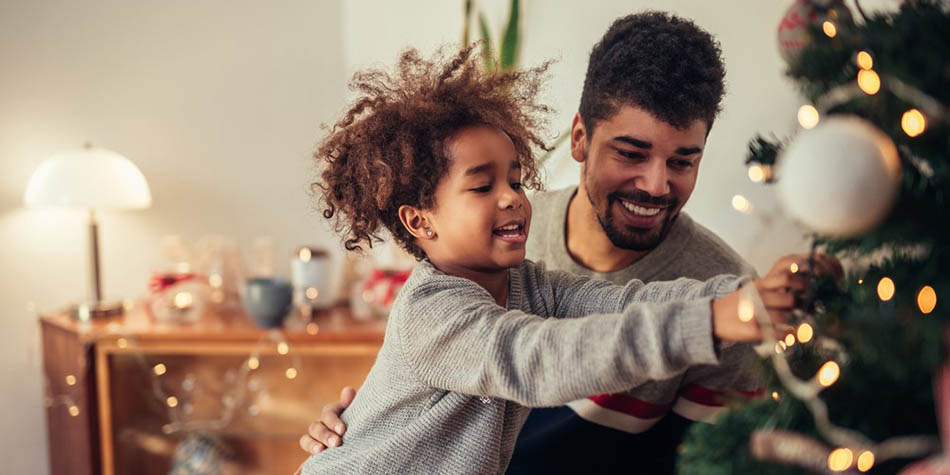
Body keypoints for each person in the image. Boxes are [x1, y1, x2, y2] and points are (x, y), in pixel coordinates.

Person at [299, 11, 839, 475]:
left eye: (515, 179)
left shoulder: (523, 278)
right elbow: (538, 358)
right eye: (483, 186)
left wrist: (747, 295)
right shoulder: (437, 307)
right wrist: (358, 423)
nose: (511, 198)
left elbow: (620, 302)